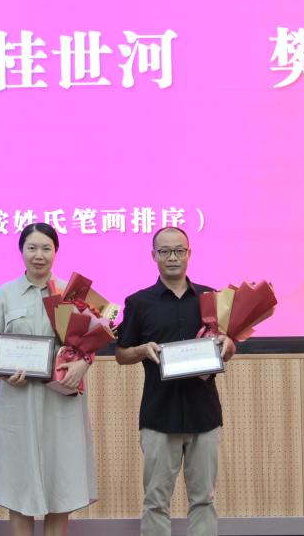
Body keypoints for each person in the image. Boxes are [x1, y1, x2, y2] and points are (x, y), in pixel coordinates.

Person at [115, 226, 236, 536]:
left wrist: (229, 344)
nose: (172, 257)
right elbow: (121, 354)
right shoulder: (139, 302)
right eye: (165, 251)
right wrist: (141, 350)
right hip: (159, 415)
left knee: (204, 499)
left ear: (189, 253)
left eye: (179, 251)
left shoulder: (211, 298)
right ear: (153, 256)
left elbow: (228, 344)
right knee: (156, 501)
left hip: (204, 414)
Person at [0, 222, 97, 536]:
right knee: (19, 481)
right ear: (21, 251)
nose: (39, 255)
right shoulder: (5, 293)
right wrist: (4, 371)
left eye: (46, 248)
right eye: (32, 248)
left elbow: (96, 336)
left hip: (61, 400)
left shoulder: (72, 293)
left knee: (61, 479)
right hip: (18, 400)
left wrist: (83, 364)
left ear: (56, 252)